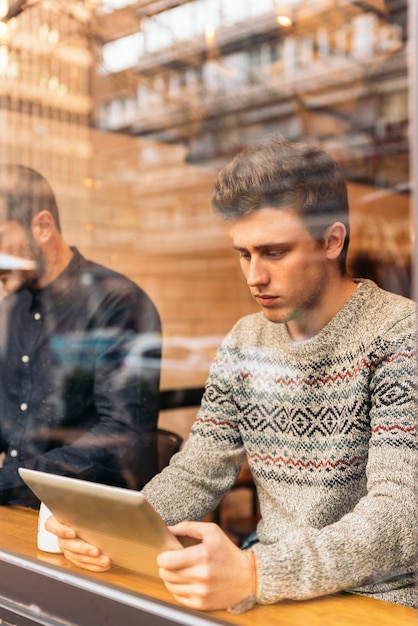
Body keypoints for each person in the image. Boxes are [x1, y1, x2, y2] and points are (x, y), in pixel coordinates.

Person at [47, 135, 416, 613]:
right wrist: (112, 533)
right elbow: (199, 470)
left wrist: (257, 572)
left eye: (274, 253)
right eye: (244, 254)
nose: (253, 277)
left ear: (332, 240)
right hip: (272, 592)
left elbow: (400, 515)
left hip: (379, 602)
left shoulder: (398, 334)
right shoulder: (245, 340)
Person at [0, 164, 162, 507]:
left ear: (43, 226)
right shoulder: (11, 307)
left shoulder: (116, 302)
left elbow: (122, 435)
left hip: (86, 515)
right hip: (14, 505)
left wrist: (11, 480)